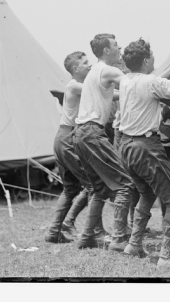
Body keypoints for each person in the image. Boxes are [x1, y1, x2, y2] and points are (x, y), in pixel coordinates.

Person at [117, 38, 170, 268]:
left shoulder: (125, 80)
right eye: (151, 56)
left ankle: (133, 245)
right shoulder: (150, 82)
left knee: (147, 193)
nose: (154, 59)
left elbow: (155, 79)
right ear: (145, 60)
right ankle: (165, 258)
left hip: (126, 146)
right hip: (145, 146)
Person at [73, 34, 135, 252]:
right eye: (116, 45)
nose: (119, 48)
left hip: (81, 133)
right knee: (125, 184)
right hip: (92, 132)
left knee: (100, 189)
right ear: (107, 51)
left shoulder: (96, 72)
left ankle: (87, 236)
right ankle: (119, 239)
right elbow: (136, 85)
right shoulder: (108, 70)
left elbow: (115, 94)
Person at [45, 51, 94, 244]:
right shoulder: (75, 86)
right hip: (69, 138)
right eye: (85, 63)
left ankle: (54, 231)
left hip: (63, 137)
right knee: (94, 185)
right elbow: (99, 91)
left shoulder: (77, 86)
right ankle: (90, 230)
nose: (89, 65)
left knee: (70, 189)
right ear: (75, 69)